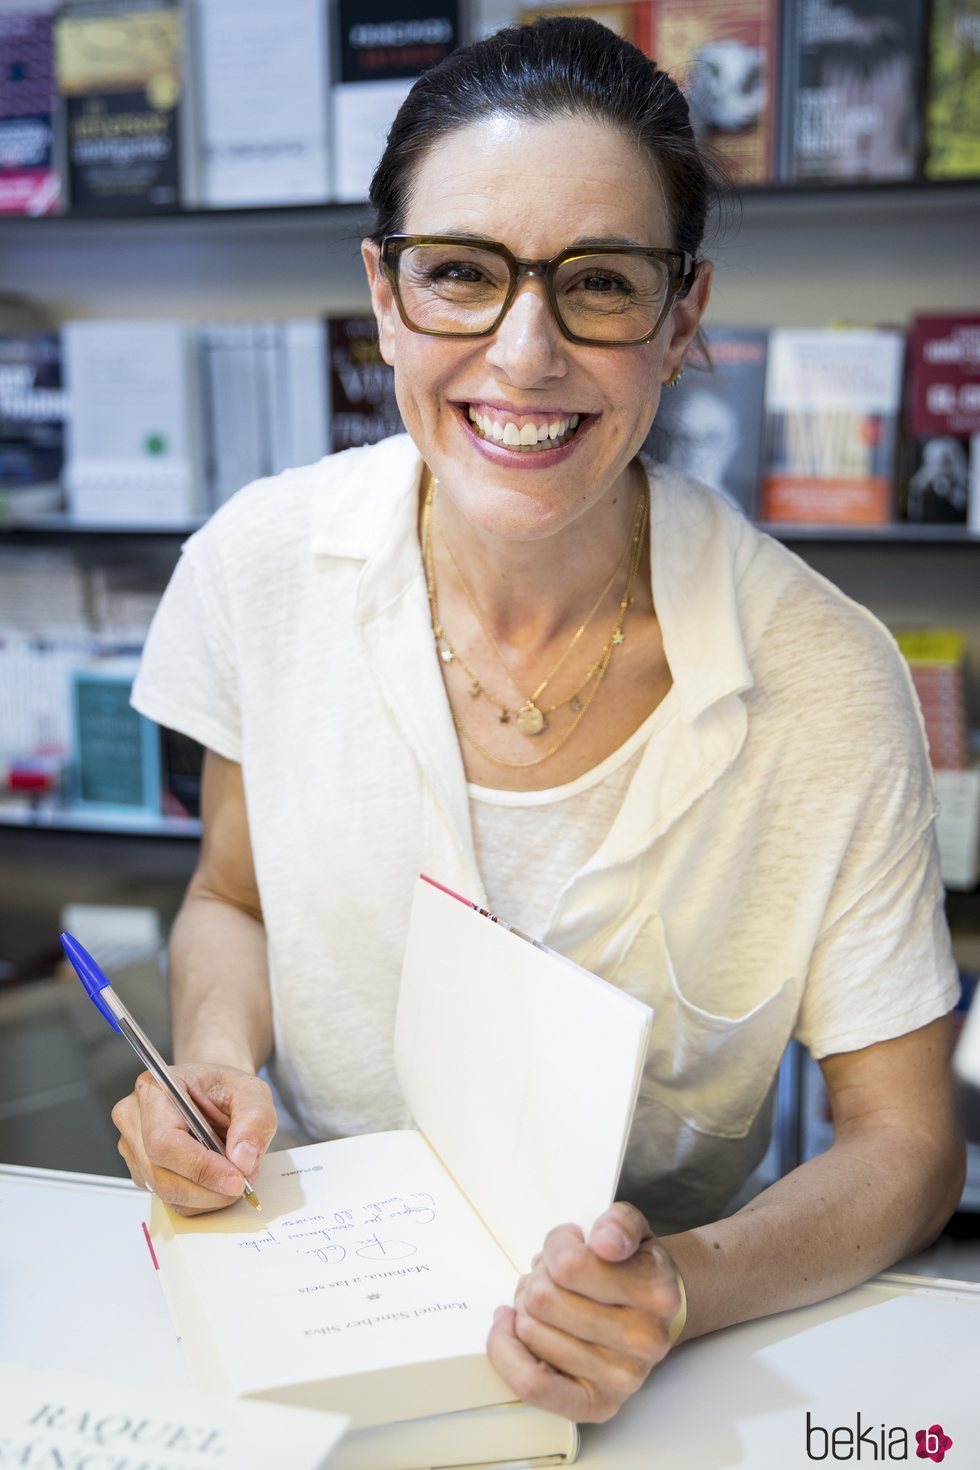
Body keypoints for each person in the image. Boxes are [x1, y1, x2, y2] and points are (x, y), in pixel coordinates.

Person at [112, 18, 965, 1427]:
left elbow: (910, 1142)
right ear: (384, 297)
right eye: (460, 274)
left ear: (682, 321)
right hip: (320, 1328)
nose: (524, 353)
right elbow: (230, 895)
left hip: (667, 1392)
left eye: (601, 286)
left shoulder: (825, 676)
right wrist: (212, 1052)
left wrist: (685, 1282)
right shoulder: (257, 568)